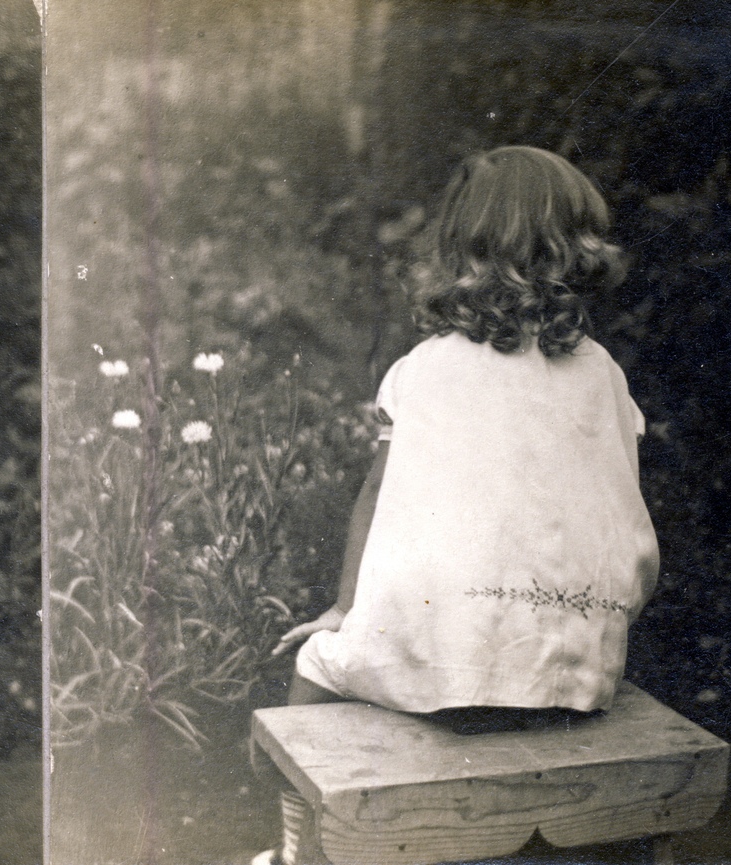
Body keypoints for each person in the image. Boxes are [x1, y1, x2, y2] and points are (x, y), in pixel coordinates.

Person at [255, 146, 659, 865]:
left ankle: (299, 846)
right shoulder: (603, 374)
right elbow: (619, 507)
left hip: (451, 661)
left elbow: (378, 495)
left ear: (459, 252)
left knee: (319, 664)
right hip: (580, 670)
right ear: (575, 254)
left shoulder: (427, 369)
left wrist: (344, 610)